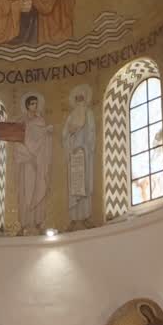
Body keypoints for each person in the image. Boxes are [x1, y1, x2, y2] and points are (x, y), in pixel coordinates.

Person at [14, 95, 53, 235]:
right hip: (27, 162)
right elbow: (18, 142)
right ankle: (26, 223)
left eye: (36, 104)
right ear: (27, 105)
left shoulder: (40, 121)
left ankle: (37, 223)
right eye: (32, 104)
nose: (34, 106)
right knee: (26, 191)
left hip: (39, 162)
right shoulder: (22, 122)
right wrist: (28, 156)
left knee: (38, 188)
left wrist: (47, 133)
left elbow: (44, 141)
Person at [62, 85, 95, 229]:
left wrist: (86, 146)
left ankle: (86, 217)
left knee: (85, 185)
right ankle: (74, 219)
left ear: (85, 99)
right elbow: (64, 135)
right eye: (77, 99)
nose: (79, 101)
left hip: (84, 152)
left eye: (82, 98)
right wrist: (70, 136)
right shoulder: (70, 117)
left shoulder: (89, 114)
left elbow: (92, 133)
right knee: (74, 187)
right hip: (74, 154)